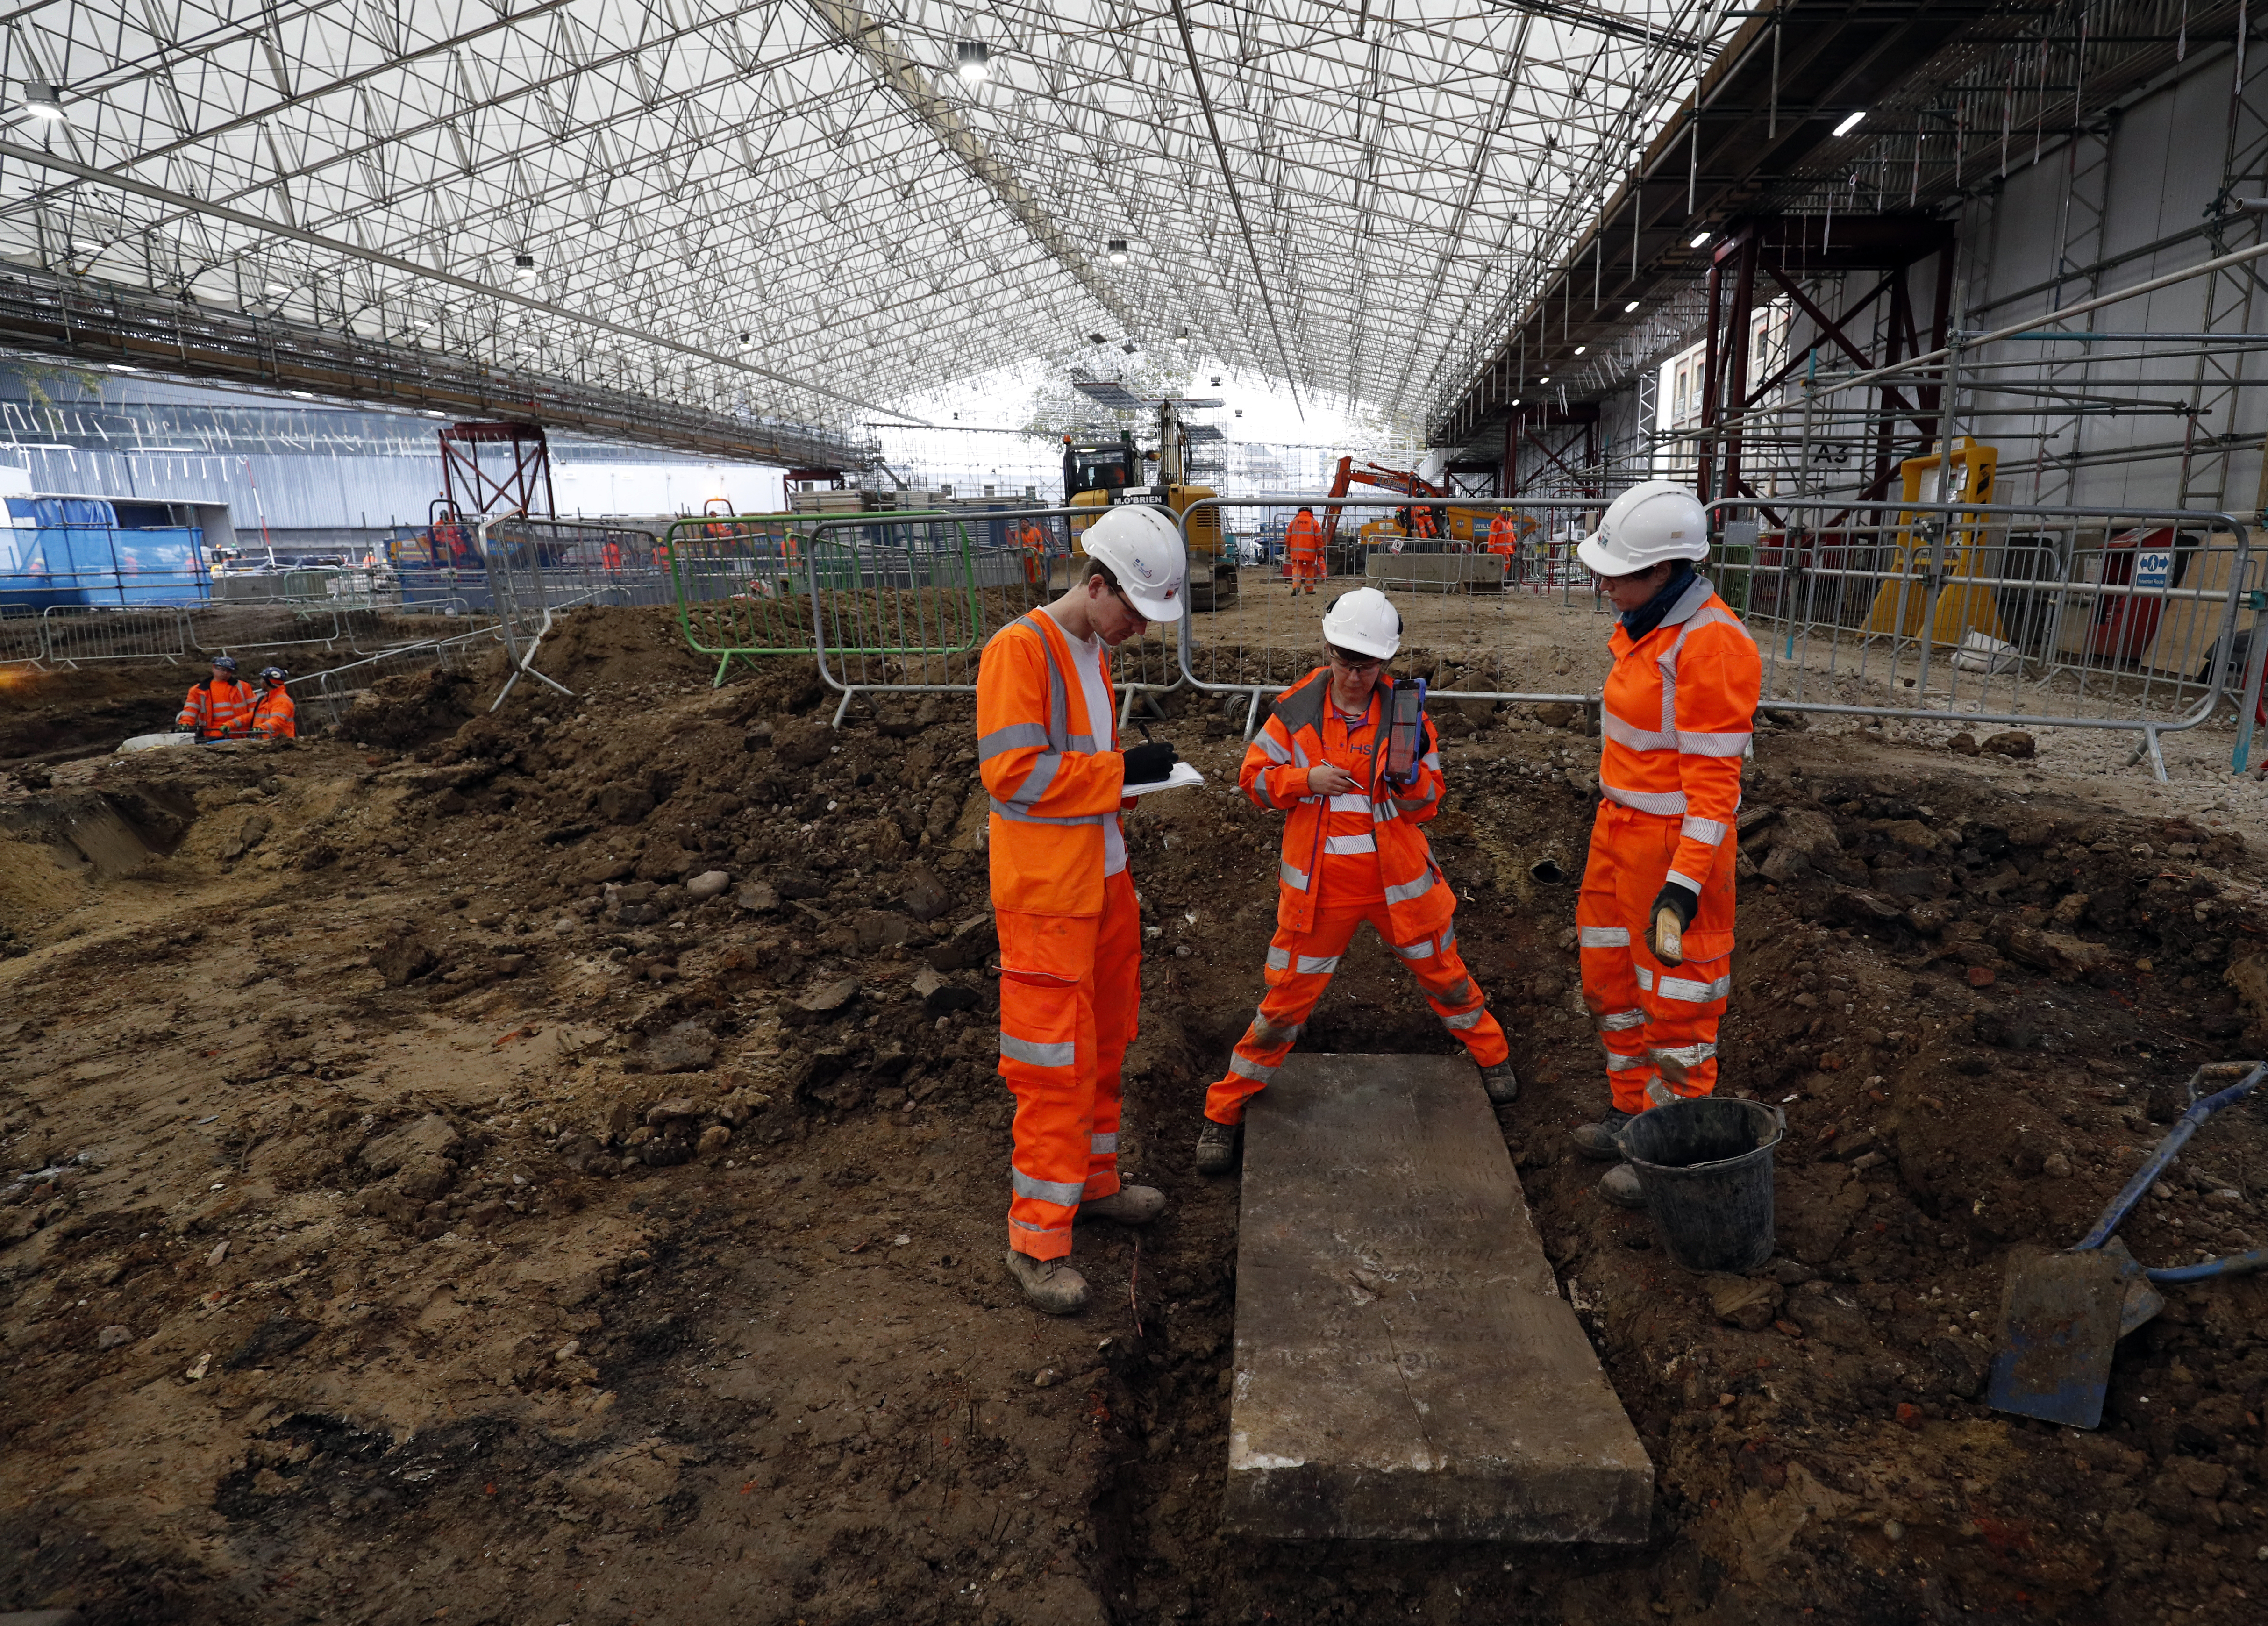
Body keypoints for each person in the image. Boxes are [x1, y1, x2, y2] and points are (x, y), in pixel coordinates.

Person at [1196, 587, 1517, 1175]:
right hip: (1320, 895)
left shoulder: (1405, 715)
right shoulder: (1294, 711)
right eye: (1343, 659)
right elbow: (1253, 781)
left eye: (1365, 665)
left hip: (1399, 888)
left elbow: (1428, 805)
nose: (1351, 674)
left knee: (1446, 978)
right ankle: (1225, 1110)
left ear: (1385, 664)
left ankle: (1493, 1057)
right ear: (1327, 648)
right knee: (1284, 1004)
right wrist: (1303, 780)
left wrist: (1413, 764)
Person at [977, 503, 1187, 1315]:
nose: (1137, 628)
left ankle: (1091, 1184)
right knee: (1052, 1067)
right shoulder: (1018, 650)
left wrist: (1130, 779)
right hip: (1046, 901)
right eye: (1133, 611)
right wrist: (1118, 775)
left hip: (1100, 880)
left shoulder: (1090, 652)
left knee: (1103, 1042)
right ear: (1095, 584)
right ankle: (1035, 1241)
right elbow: (1015, 777)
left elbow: (1077, 770)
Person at [1569, 481, 1762, 1208]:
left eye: (1617, 573)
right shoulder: (1647, 627)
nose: (1602, 582)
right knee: (1611, 983)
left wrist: (1683, 883)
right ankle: (1631, 1116)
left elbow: (1714, 789)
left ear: (1666, 571)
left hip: (1673, 847)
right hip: (1616, 833)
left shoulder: (1710, 643)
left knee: (1677, 1007)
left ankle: (1671, 1153)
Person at [177, 655, 254, 742]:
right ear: (214, 668)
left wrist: (233, 724)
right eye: (222, 669)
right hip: (211, 735)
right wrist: (185, 723)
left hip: (239, 733)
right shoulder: (198, 690)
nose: (225, 673)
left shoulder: (243, 687)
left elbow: (255, 711)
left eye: (229, 671)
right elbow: (190, 710)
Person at [249, 667, 296, 740]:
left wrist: (261, 728)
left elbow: (278, 720)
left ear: (267, 683)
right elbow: (253, 715)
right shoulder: (268, 698)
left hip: (280, 743)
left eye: (263, 679)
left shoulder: (282, 701)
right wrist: (231, 724)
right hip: (267, 741)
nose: (261, 682)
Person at [1284, 505, 1323, 594]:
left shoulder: (1294, 522)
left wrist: (1288, 548)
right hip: (1311, 551)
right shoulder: (1314, 522)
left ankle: (1296, 587)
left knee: (1297, 569)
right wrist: (1321, 552)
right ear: (1311, 512)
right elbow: (1319, 539)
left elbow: (1287, 537)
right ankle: (1309, 589)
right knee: (1310, 569)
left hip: (1296, 551)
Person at [1485, 509, 1524, 579]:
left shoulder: (1509, 523)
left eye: (1510, 514)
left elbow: (1511, 535)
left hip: (1508, 550)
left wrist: (1515, 543)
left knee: (1507, 566)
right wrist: (1490, 551)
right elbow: (1492, 537)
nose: (1508, 516)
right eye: (1507, 514)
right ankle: (1500, 580)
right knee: (1506, 565)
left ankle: (1503, 581)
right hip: (1501, 550)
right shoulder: (1497, 523)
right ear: (1502, 513)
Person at [1019, 519, 1048, 589]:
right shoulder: (1019, 533)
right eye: (1022, 523)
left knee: (1039, 568)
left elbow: (1041, 542)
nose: (1023, 524)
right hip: (1026, 555)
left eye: (1025, 522)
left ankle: (1041, 584)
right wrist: (1028, 549)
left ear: (1029, 523)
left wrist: (1041, 553)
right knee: (1029, 571)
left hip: (1037, 554)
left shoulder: (1035, 531)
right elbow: (1019, 543)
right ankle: (1030, 586)